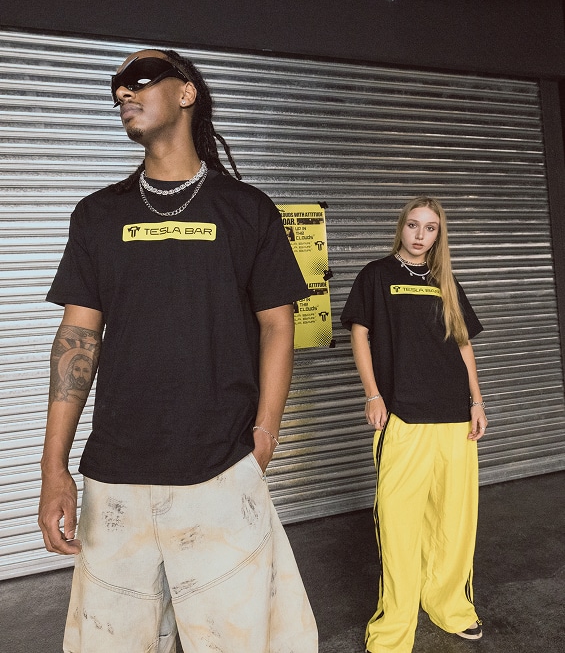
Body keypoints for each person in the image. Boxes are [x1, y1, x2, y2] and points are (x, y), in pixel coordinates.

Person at [38, 48, 318, 653]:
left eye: (137, 79)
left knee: (238, 642)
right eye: (116, 86)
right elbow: (77, 338)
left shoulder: (247, 209)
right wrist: (52, 466)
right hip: (116, 477)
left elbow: (278, 325)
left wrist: (265, 435)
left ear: (186, 92)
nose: (123, 93)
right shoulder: (97, 215)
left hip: (221, 467)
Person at [340, 196, 487, 653]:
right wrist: (373, 393)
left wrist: (477, 401)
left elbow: (463, 345)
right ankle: (394, 627)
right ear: (401, 227)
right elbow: (359, 335)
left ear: (439, 235)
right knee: (399, 525)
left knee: (453, 522)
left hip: (455, 418)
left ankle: (449, 605)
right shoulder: (376, 275)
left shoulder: (446, 281)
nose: (420, 235)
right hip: (403, 416)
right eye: (413, 225)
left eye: (430, 228)